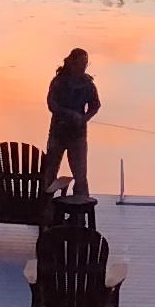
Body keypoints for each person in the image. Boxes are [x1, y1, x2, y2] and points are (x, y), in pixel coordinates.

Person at [43, 47, 100, 196]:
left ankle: (81, 205)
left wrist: (84, 118)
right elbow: (51, 104)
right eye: (80, 64)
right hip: (57, 133)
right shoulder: (58, 81)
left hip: (77, 135)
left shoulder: (87, 84)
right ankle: (45, 204)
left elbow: (95, 105)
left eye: (85, 64)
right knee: (49, 172)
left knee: (80, 176)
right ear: (72, 63)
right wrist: (68, 114)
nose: (83, 67)